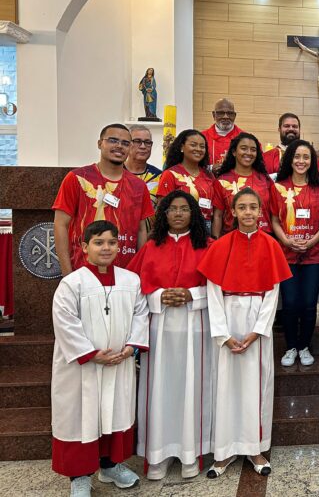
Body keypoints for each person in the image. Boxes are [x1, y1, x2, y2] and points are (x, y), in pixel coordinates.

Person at [198, 187, 291, 478]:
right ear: (233, 212)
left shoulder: (271, 245)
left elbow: (273, 292)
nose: (249, 212)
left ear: (261, 212)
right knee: (225, 386)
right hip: (226, 315)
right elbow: (212, 292)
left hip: (256, 320)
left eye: (254, 207)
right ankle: (224, 452)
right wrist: (222, 334)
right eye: (243, 207)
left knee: (257, 386)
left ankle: (255, 448)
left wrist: (256, 332)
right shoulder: (221, 245)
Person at [51, 220, 149, 497]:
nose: (106, 248)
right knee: (82, 418)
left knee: (114, 413)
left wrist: (131, 347)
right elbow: (65, 323)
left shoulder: (131, 280)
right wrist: (92, 354)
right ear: (84, 247)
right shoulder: (72, 284)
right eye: (98, 242)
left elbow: (141, 315)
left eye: (111, 242)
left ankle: (110, 466)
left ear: (119, 245)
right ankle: (79, 477)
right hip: (83, 368)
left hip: (119, 362)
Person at [127, 191, 212, 481]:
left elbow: (217, 288)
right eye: (172, 209)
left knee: (193, 387)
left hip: (194, 325)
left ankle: (191, 453)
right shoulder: (151, 247)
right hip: (159, 328)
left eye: (184, 209)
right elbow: (134, 287)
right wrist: (160, 296)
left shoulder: (207, 246)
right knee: (158, 389)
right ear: (163, 214)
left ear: (193, 213)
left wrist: (192, 294)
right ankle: (157, 456)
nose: (177, 214)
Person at [53, 123, 155, 275]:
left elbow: (141, 230)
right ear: (100, 143)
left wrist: (139, 272)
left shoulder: (138, 186)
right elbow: (60, 225)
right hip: (83, 270)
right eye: (113, 140)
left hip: (125, 274)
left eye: (126, 143)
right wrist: (67, 274)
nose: (119, 146)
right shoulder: (77, 178)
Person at [270, 139, 319, 368]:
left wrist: (312, 241)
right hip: (286, 254)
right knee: (290, 303)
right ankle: (290, 347)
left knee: (308, 303)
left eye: (306, 157)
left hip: (313, 255)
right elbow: (274, 219)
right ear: (290, 159)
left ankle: (304, 346)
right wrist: (286, 239)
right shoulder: (278, 186)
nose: (301, 161)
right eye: (297, 156)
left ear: (312, 161)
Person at [158, 129, 225, 237]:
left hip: (206, 228)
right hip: (179, 229)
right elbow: (162, 209)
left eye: (202, 146)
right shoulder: (170, 174)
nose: (198, 149)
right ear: (181, 147)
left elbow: (216, 211)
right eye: (193, 145)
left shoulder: (209, 175)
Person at [216, 132, 274, 235]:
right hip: (233, 238)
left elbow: (273, 214)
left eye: (253, 150)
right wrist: (215, 243)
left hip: (264, 237)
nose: (249, 153)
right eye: (243, 148)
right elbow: (218, 216)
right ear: (234, 152)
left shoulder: (265, 180)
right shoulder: (222, 181)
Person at [201, 98, 244, 168]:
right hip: (207, 178)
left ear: (235, 116)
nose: (225, 117)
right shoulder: (201, 138)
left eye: (230, 113)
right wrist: (210, 169)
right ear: (214, 115)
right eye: (220, 113)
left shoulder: (246, 139)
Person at [125, 125, 162, 198]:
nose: (143, 146)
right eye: (137, 141)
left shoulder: (159, 176)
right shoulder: (115, 172)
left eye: (147, 142)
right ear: (127, 144)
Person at [263, 113, 302, 177]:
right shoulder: (267, 157)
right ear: (279, 129)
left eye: (295, 126)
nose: (291, 129)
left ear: (299, 130)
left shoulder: (309, 156)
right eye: (286, 126)